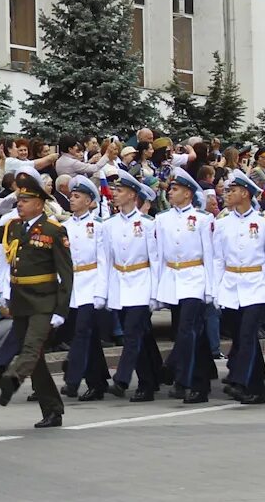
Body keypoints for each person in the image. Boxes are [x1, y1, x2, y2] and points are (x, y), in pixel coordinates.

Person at [0, 167, 73, 427]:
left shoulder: (54, 230)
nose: (20, 205)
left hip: (44, 300)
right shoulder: (13, 227)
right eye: (18, 201)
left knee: (31, 348)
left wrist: (60, 310)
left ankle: (11, 380)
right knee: (36, 361)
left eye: (24, 201)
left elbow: (66, 274)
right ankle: (53, 409)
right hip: (21, 299)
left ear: (39, 203)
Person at [212, 169, 265, 404]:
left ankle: (239, 380)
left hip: (255, 285)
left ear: (244, 193)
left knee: (248, 334)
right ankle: (256, 387)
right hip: (231, 286)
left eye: (232, 190)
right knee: (242, 338)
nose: (226, 194)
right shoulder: (221, 225)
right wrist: (216, 289)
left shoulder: (263, 224)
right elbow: (218, 259)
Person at [97, 168, 163, 401]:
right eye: (114, 190)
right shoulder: (109, 225)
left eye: (120, 190)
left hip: (141, 282)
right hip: (119, 284)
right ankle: (149, 381)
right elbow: (105, 260)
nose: (115, 194)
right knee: (139, 335)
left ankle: (122, 378)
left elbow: (155, 259)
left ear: (133, 196)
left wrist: (155, 293)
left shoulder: (147, 224)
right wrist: (102, 292)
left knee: (133, 333)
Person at [155, 168, 215, 404]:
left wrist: (210, 288)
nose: (171, 192)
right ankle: (199, 379)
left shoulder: (202, 219)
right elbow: (160, 255)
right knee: (187, 331)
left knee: (187, 330)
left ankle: (182, 377)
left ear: (188, 194)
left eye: (176, 189)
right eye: (170, 188)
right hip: (173, 278)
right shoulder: (162, 219)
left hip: (195, 277)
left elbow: (209, 255)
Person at [61, 175, 112, 402]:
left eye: (77, 196)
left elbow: (104, 260)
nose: (72, 199)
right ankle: (98, 381)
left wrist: (102, 291)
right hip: (73, 286)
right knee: (86, 337)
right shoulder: (64, 227)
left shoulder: (99, 227)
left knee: (83, 332)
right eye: (71, 195)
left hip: (92, 284)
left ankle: (73, 380)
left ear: (90, 201)